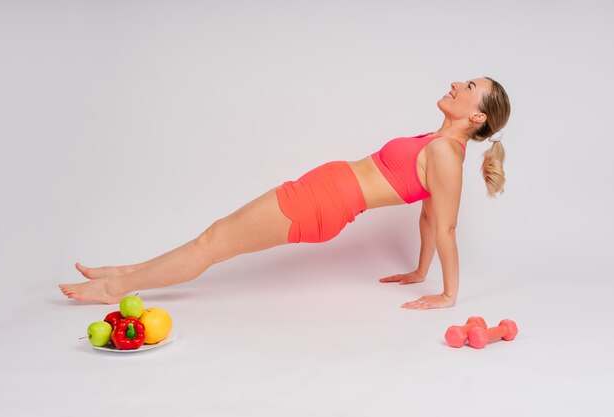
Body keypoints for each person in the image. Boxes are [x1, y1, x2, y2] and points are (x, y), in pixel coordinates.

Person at [59, 76, 510, 310]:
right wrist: (418, 269)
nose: (456, 83)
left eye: (470, 87)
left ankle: (115, 289)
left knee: (212, 244)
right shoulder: (438, 145)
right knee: (213, 235)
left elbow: (445, 226)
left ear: (477, 118)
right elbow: (428, 217)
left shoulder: (448, 158)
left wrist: (448, 294)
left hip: (318, 206)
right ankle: (124, 271)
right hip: (316, 195)